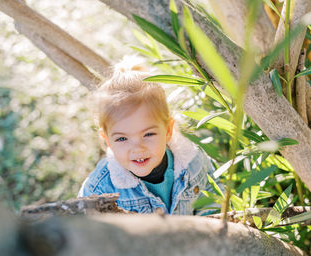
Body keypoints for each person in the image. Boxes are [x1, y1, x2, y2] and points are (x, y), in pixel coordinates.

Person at [78, 56, 216, 215]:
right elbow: (85, 226)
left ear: (168, 131)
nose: (137, 148)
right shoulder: (100, 188)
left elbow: (212, 193)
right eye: (122, 138)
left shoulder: (192, 161)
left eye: (148, 134)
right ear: (108, 140)